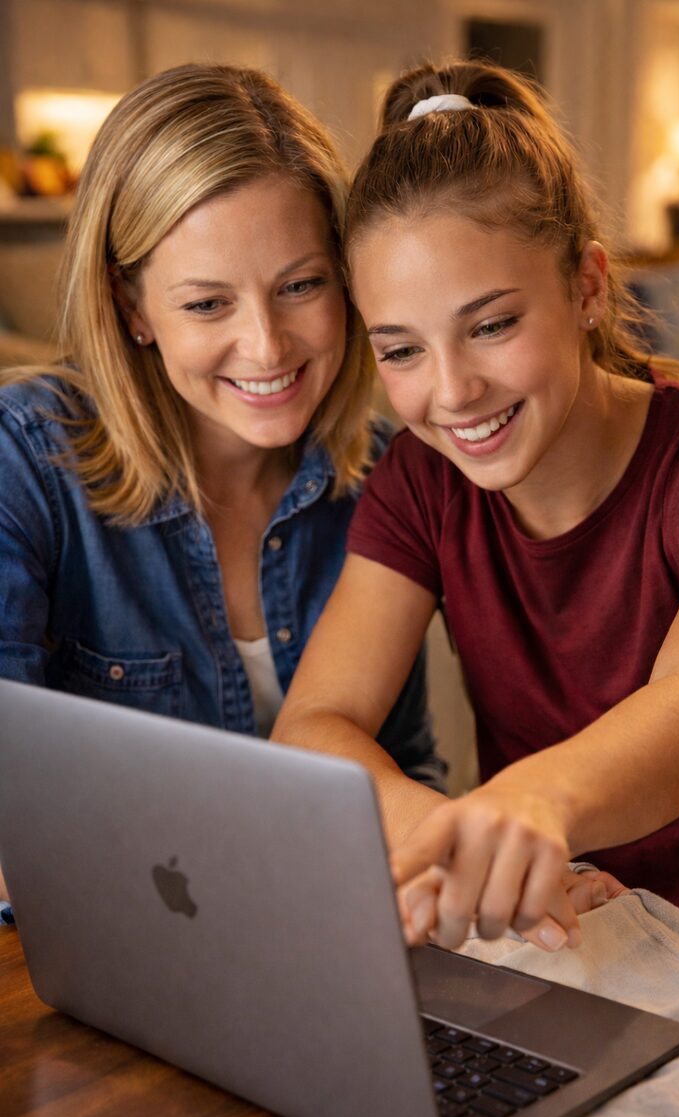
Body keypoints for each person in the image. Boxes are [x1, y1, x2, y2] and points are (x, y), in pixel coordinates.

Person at [273, 60, 679, 953]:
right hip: (556, 947)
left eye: (491, 325)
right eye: (401, 351)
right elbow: (314, 726)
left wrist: (531, 803)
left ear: (588, 287)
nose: (453, 392)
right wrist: (449, 836)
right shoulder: (422, 485)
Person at [0, 63, 445, 904]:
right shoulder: (23, 463)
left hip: (336, 930)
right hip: (102, 957)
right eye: (207, 305)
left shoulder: (388, 475)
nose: (268, 347)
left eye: (301, 286)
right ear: (131, 306)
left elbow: (404, 765)